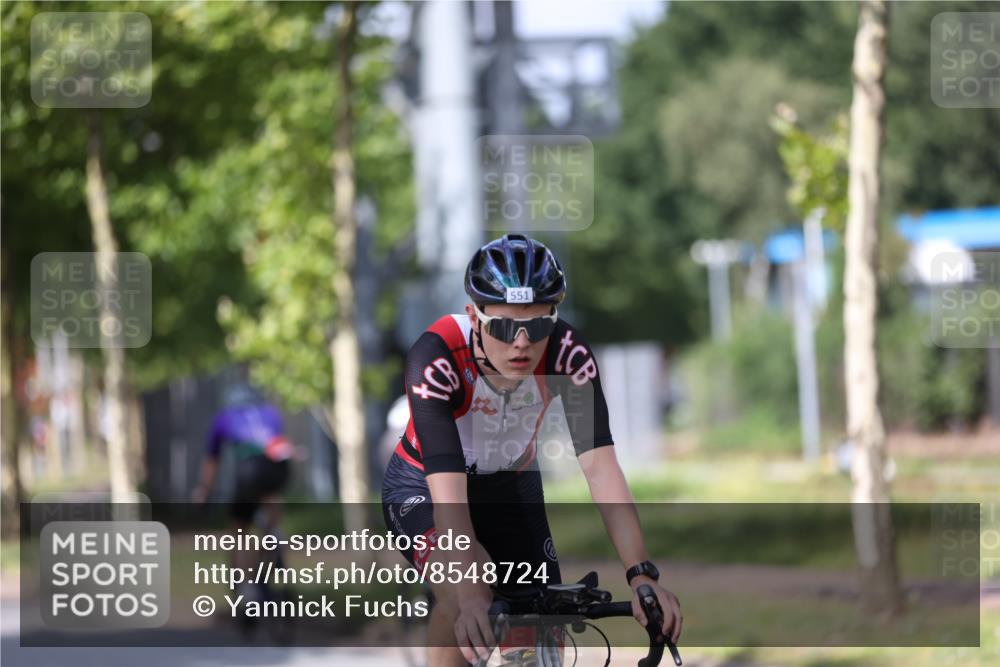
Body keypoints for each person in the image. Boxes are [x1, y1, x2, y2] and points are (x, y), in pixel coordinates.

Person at [381, 234, 682, 666]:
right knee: (470, 588)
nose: (521, 342)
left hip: (511, 485)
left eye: (538, 325)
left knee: (541, 625)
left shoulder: (568, 354)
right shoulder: (437, 356)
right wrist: (468, 595)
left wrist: (641, 575)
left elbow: (601, 470)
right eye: (504, 326)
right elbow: (450, 497)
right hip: (426, 490)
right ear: (474, 316)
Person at [192, 384, 295, 570]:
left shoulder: (224, 417)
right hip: (280, 467)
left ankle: (247, 586)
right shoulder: (270, 412)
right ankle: (273, 533)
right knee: (271, 495)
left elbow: (212, 460)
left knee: (239, 530)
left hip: (251, 469)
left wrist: (204, 489)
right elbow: (276, 443)